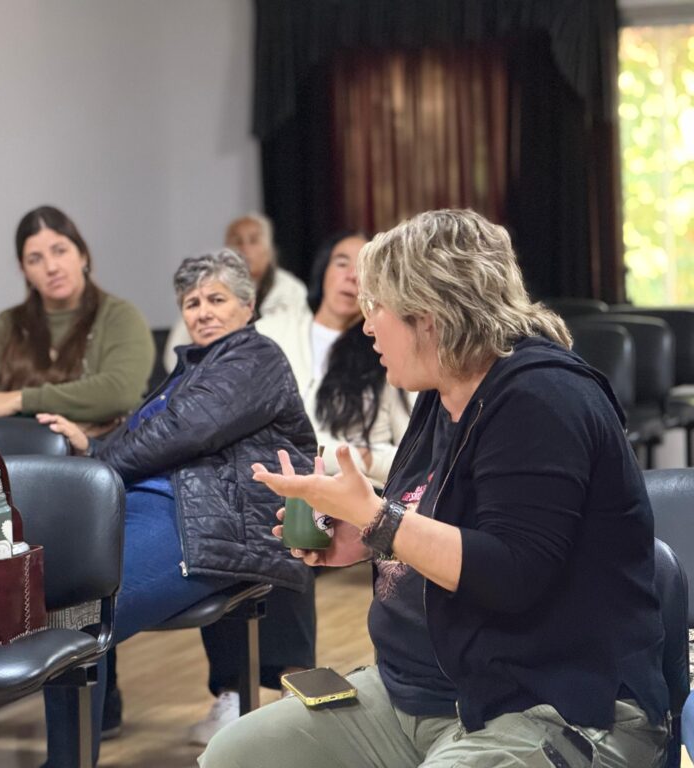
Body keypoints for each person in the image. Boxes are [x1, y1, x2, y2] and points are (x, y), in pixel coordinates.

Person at [201, 209, 670, 768]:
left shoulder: (543, 399)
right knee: (233, 755)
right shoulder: (440, 392)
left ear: (427, 316)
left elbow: (514, 574)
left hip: (549, 702)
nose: (366, 326)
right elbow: (435, 524)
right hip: (419, 691)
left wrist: (379, 520)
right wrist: (363, 535)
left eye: (376, 306)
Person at [39, 249, 317, 766]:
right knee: (66, 602)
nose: (203, 311)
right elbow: (148, 436)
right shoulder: (191, 369)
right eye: (192, 303)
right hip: (157, 510)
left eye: (217, 299)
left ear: (248, 306)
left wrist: (95, 467)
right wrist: (93, 449)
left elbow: (182, 432)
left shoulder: (255, 356)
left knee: (82, 613)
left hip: (211, 523)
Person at [191, 231, 415, 745]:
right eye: (341, 262)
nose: (351, 275)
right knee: (219, 517)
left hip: (345, 482)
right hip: (267, 472)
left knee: (286, 515)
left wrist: (356, 457)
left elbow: (410, 449)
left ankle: (291, 678)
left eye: (363, 266)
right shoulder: (274, 329)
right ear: (321, 272)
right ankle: (235, 689)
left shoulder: (387, 347)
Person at [0, 205, 154, 430]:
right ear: (24, 271)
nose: (51, 267)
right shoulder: (6, 325)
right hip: (17, 450)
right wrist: (83, 415)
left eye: (60, 251)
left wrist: (18, 401)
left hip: (98, 451)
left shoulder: (120, 317)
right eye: (35, 259)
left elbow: (119, 393)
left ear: (83, 255)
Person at [162, 212, 306, 371]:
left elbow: (283, 337)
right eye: (237, 241)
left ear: (269, 249)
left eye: (253, 240)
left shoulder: (289, 288)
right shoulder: (207, 287)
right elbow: (175, 352)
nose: (245, 249)